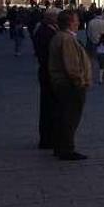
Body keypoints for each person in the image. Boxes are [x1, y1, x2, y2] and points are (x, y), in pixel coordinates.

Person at [48, 10, 92, 161]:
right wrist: (80, 82)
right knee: (70, 117)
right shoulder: (66, 39)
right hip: (69, 85)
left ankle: (60, 146)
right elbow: (72, 64)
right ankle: (67, 148)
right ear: (69, 23)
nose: (78, 23)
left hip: (63, 83)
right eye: (76, 20)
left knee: (64, 116)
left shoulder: (62, 37)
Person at [32, 8, 59, 150]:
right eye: (56, 17)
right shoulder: (45, 32)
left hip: (47, 72)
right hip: (48, 72)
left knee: (49, 106)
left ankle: (48, 137)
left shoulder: (44, 29)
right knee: (48, 107)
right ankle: (47, 139)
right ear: (50, 18)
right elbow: (47, 53)